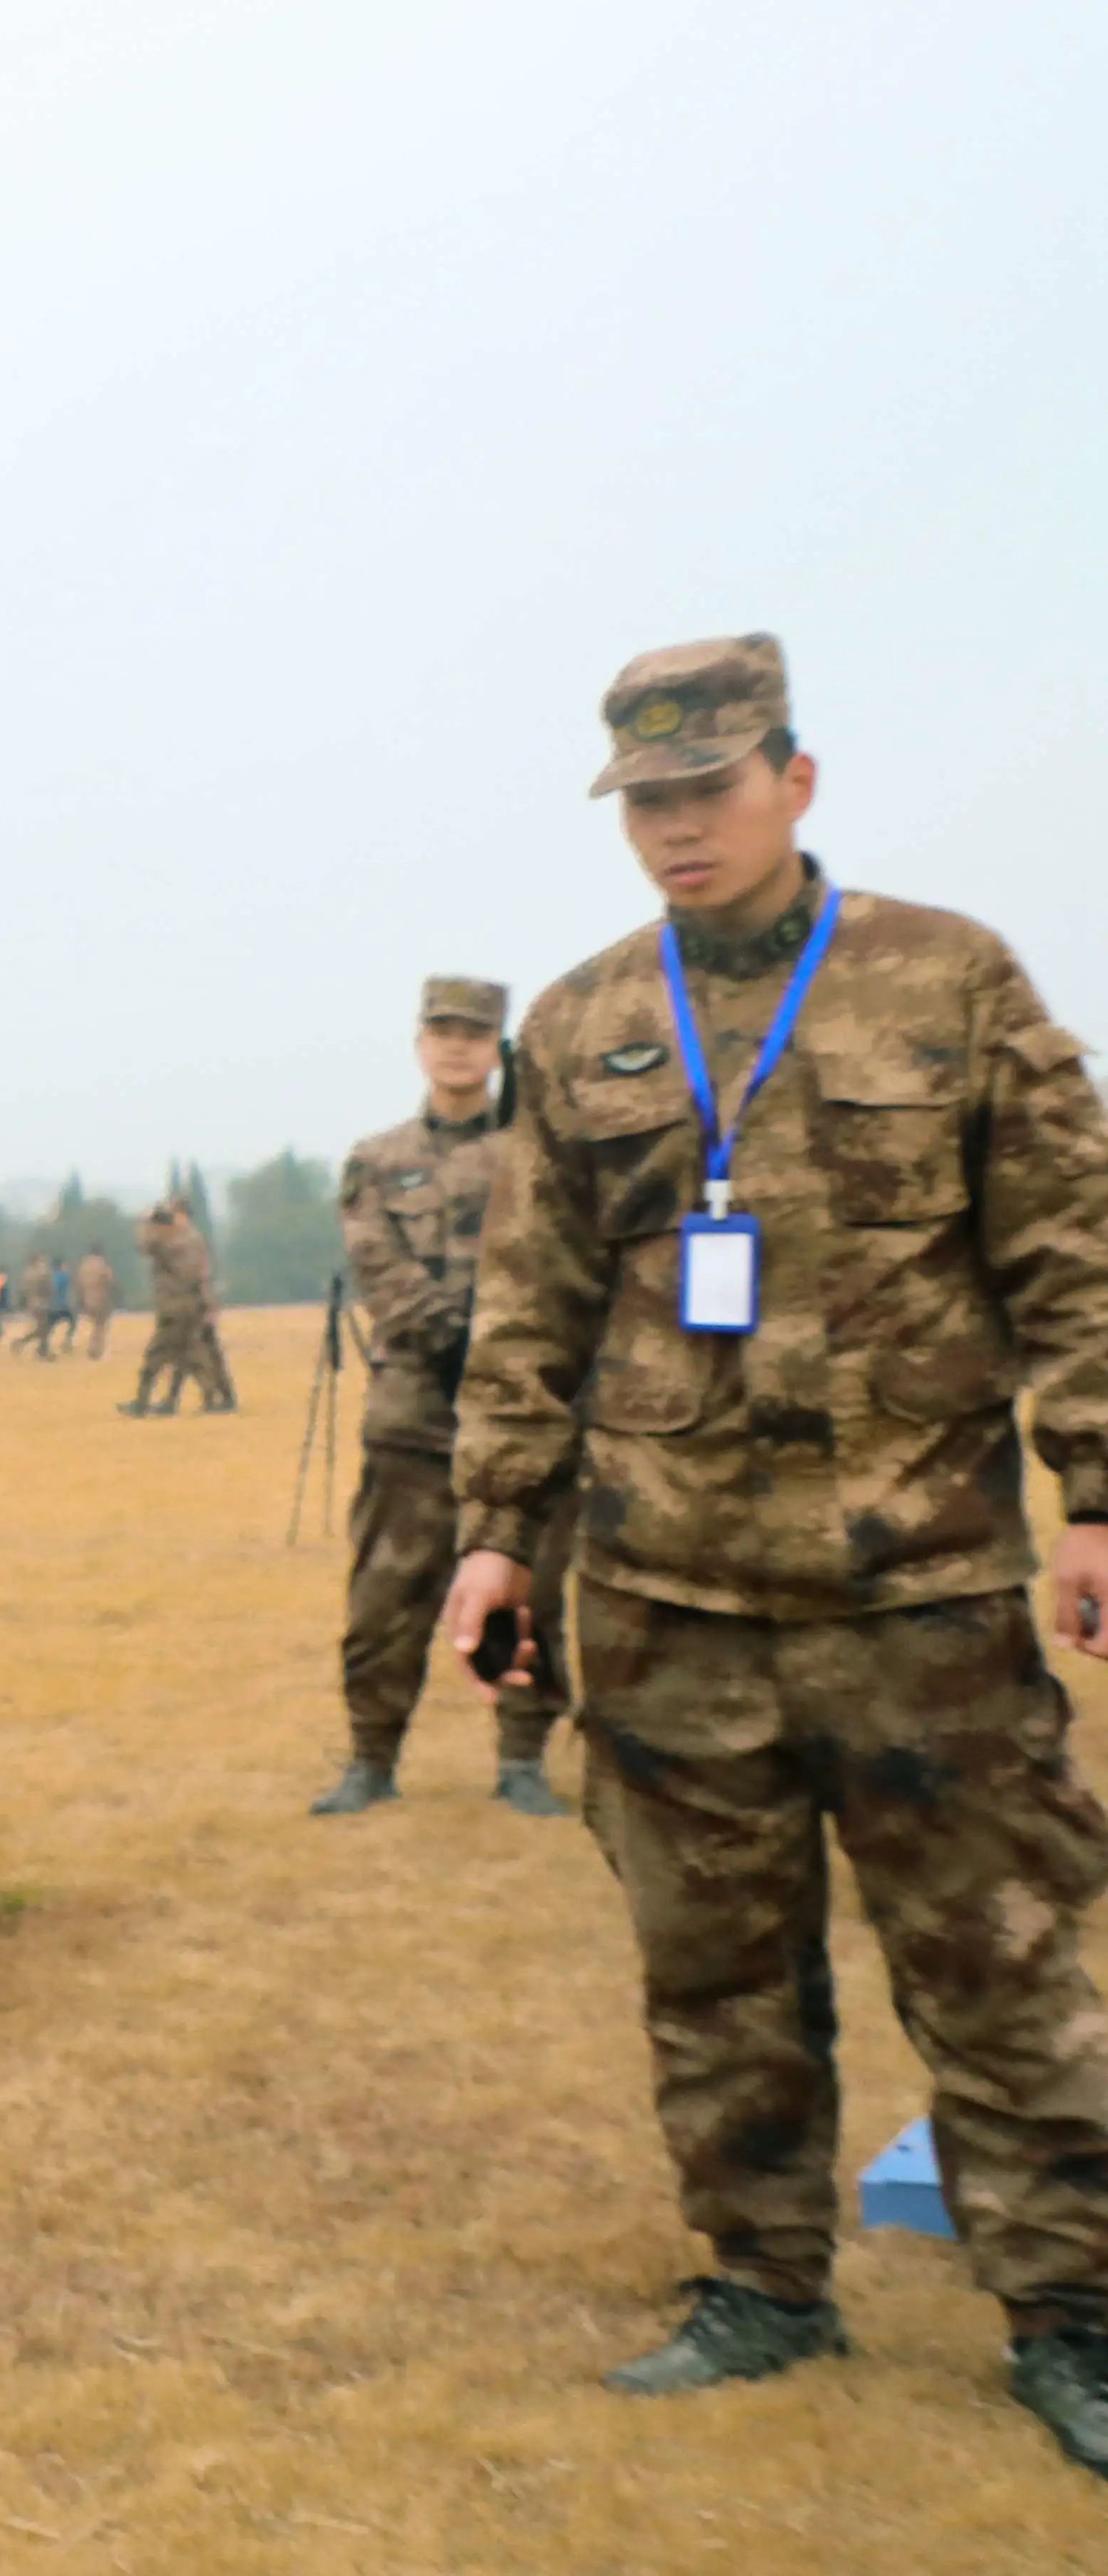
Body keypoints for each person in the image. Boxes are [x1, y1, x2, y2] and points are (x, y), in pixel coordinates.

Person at [445, 632, 1108, 2471]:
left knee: (996, 1961)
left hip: (922, 1593)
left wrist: (1097, 1487)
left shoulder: (943, 978)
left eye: (705, 789)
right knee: (713, 1978)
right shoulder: (578, 1025)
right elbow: (528, 1305)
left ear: (792, 779)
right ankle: (757, 2281)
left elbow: (1066, 1248)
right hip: (668, 1606)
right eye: (643, 801)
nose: (673, 829)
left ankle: (1069, 2314)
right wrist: (493, 1539)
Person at [314, 979, 572, 1819]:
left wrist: (513, 1360)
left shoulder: (537, 1151)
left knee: (533, 1595)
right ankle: (369, 1758)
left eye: (473, 1033)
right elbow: (378, 1269)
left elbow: (559, 1266)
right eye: (441, 1031)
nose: (455, 1046)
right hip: (414, 1416)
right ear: (418, 1042)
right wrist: (460, 1343)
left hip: (524, 1422)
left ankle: (522, 1760)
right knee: (384, 1599)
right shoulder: (376, 1160)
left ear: (495, 1048)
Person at [119, 1196, 237, 1415]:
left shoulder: (174, 1241)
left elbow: (144, 1247)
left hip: (176, 1307)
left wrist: (147, 1223)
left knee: (158, 1356)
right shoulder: (193, 1239)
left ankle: (143, 1402)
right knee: (191, 1357)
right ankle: (201, 1400)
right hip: (193, 1306)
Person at [75, 1244, 119, 1358]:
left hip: (87, 1299)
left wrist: (80, 1299)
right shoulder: (103, 1264)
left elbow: (79, 1284)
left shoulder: (83, 1265)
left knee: (95, 1325)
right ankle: (96, 1349)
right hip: (101, 1298)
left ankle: (93, 1348)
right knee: (101, 1326)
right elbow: (110, 1281)